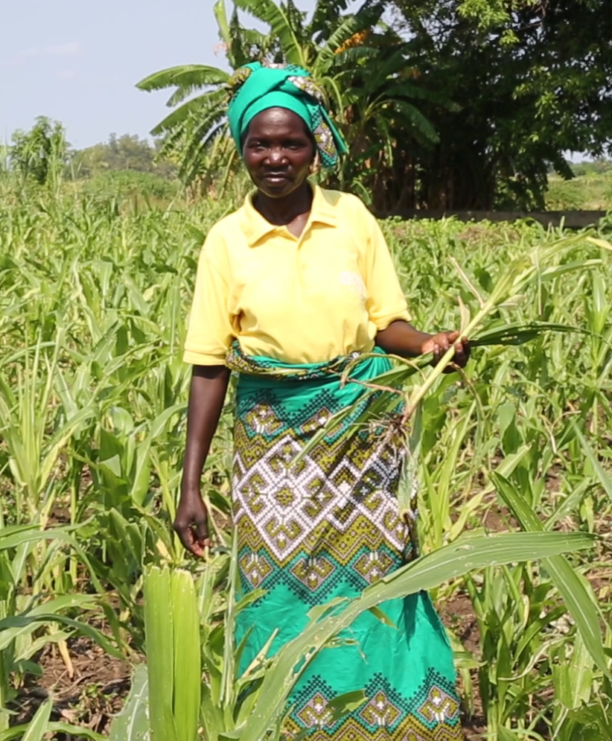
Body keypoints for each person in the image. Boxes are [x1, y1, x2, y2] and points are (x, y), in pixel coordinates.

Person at [173, 61, 468, 741]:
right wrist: (190, 482)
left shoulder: (352, 219)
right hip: (272, 439)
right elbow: (209, 364)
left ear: (316, 148)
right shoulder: (227, 241)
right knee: (277, 584)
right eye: (260, 144)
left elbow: (387, 323)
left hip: (360, 429)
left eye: (292, 143)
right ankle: (281, 718)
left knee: (372, 574)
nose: (275, 157)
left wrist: (429, 345)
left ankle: (388, 715)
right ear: (242, 149)